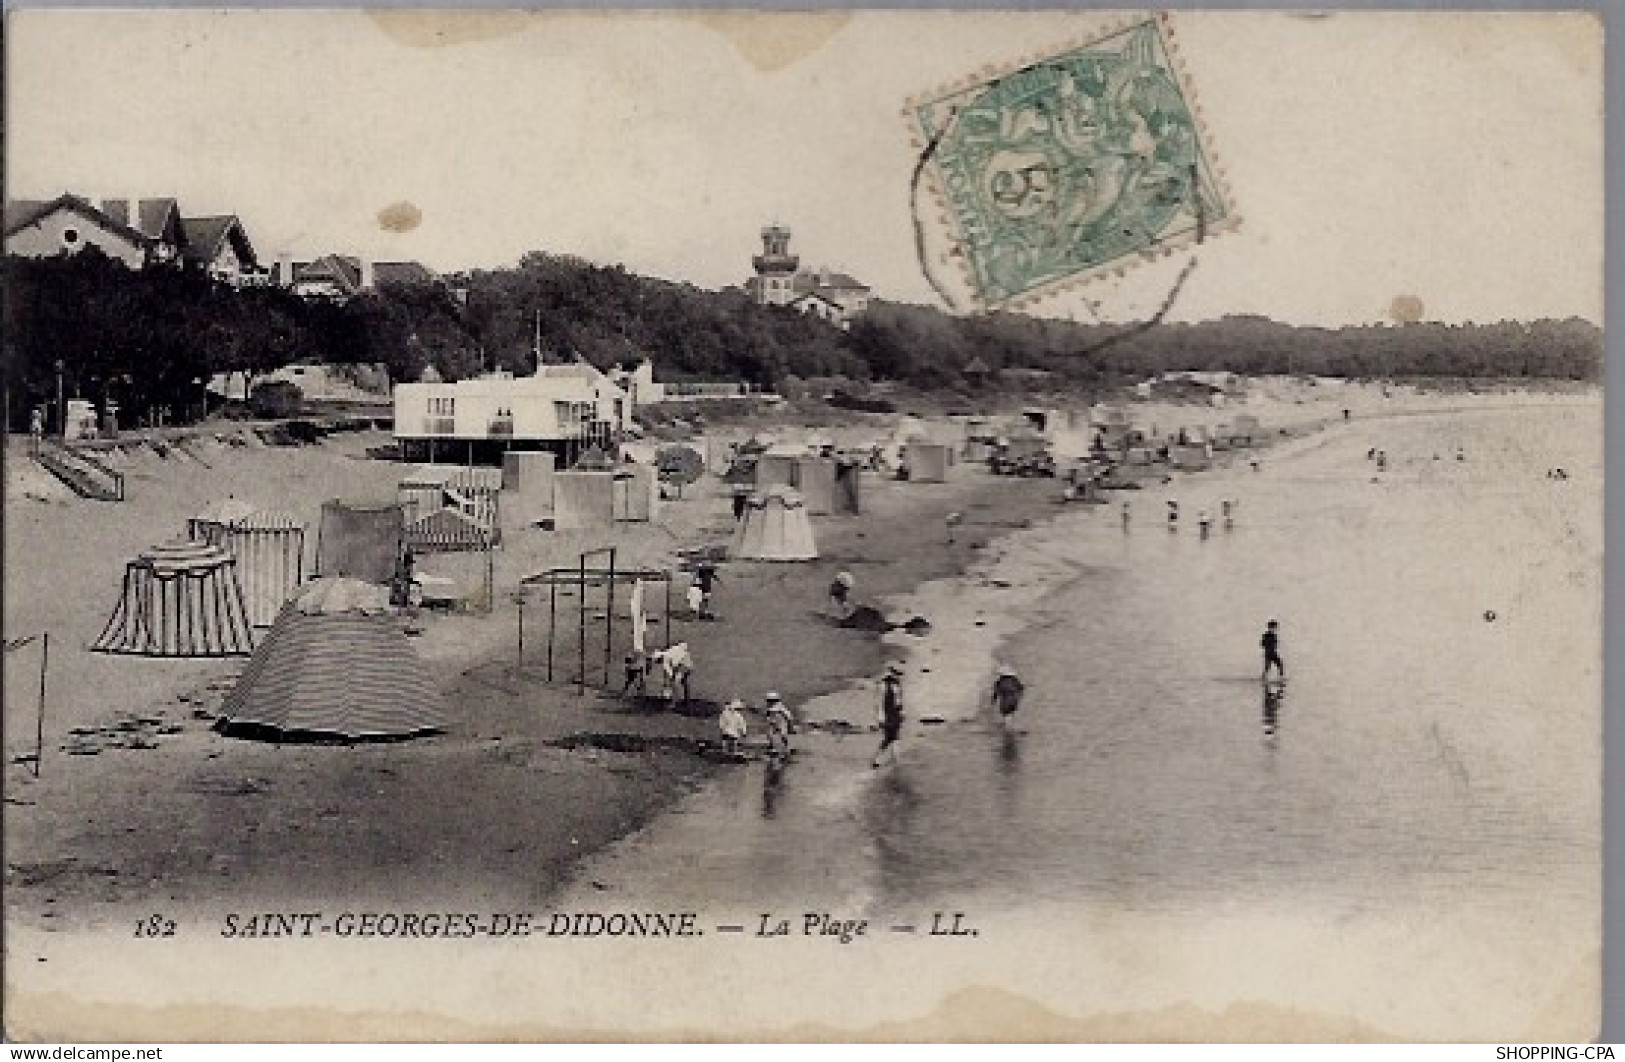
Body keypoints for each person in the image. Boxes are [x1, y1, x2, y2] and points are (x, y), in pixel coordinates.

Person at [872, 662, 905, 769]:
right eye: (895, 673)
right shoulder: (883, 685)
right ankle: (880, 759)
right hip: (887, 713)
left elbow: (899, 700)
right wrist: (880, 716)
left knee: (894, 737)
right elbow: (879, 702)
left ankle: (895, 760)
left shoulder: (897, 684)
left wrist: (902, 712)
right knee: (889, 738)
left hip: (895, 713)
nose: (897, 675)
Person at [652, 642, 693, 707]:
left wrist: (672, 678)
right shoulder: (670, 651)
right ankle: (686, 700)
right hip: (687, 664)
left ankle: (675, 702)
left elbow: (671, 672)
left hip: (683, 666)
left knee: (675, 684)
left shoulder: (666, 658)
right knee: (683, 682)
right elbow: (684, 646)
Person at [764, 691, 796, 763]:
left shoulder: (781, 708)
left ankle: (784, 753)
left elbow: (789, 717)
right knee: (772, 737)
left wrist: (790, 725)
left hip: (781, 725)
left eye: (771, 701)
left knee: (782, 737)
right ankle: (776, 751)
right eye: (769, 701)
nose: (770, 702)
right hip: (774, 725)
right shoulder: (770, 708)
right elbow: (768, 718)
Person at [990, 665, 1025, 730]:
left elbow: (995, 693)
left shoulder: (999, 682)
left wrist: (993, 701)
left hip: (1006, 700)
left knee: (1006, 713)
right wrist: (1020, 696)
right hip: (1014, 699)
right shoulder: (1015, 680)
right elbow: (1021, 688)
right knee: (1011, 712)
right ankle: (1012, 726)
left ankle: (1008, 729)